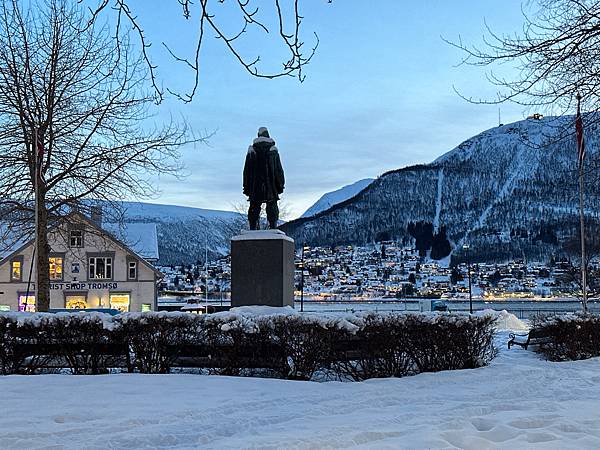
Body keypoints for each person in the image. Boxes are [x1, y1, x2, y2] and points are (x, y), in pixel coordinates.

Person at [243, 127, 285, 230]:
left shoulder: (251, 151)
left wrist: (246, 187)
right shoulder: (273, 151)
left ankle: (252, 228)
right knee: (272, 205)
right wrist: (280, 185)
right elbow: (278, 170)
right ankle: (273, 227)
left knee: (254, 206)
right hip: (270, 185)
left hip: (255, 186)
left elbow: (246, 171)